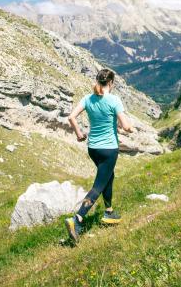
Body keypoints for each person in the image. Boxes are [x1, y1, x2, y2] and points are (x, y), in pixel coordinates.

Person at [65, 68, 134, 243]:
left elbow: (71, 117)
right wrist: (131, 128)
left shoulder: (87, 98)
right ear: (111, 83)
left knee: (108, 176)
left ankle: (109, 212)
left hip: (93, 148)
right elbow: (125, 126)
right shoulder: (114, 100)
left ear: (98, 81)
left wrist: (79, 134)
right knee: (98, 185)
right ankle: (77, 219)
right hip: (109, 149)